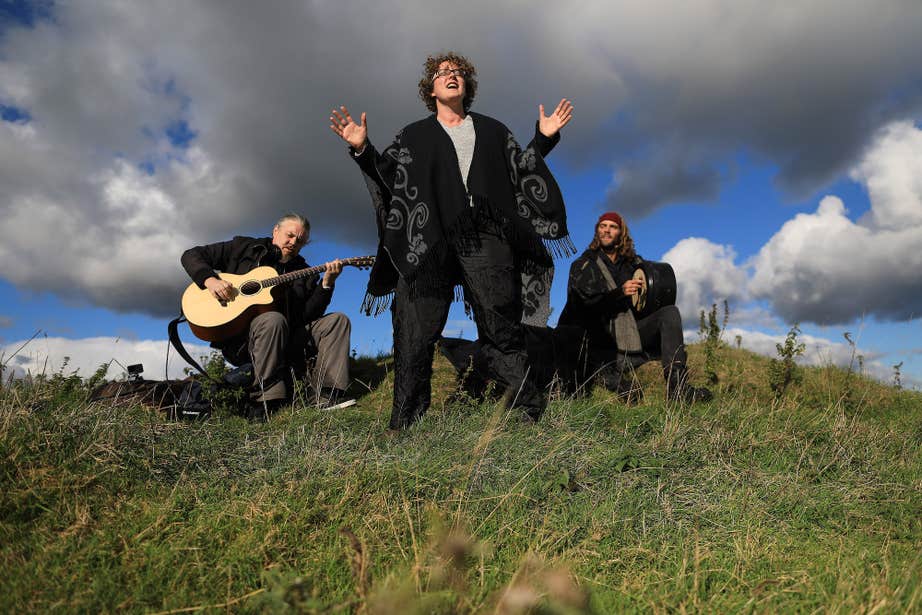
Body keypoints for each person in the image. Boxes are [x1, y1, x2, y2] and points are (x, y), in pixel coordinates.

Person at [330, 51, 574, 429]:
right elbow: (392, 179)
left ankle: (526, 412)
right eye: (443, 73)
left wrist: (542, 139)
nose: (451, 76)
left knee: (501, 327)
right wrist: (363, 150)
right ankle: (406, 424)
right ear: (431, 88)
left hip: (486, 237)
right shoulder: (414, 134)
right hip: (428, 243)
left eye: (458, 72)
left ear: (467, 84)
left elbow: (520, 169)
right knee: (414, 330)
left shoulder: (493, 129)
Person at [180, 213, 354, 418]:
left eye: (300, 241)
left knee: (337, 321)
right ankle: (265, 399)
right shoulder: (243, 247)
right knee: (273, 318)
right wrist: (210, 280)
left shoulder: (305, 273)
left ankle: (326, 395)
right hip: (242, 341)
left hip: (286, 339)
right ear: (275, 231)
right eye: (290, 235)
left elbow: (307, 317)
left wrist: (327, 284)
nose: (293, 242)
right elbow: (191, 255)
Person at [558, 212, 712, 404]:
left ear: (621, 232)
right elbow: (584, 305)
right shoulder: (584, 265)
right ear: (597, 230)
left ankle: (678, 389)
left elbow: (657, 287)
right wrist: (620, 293)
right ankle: (610, 379)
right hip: (597, 342)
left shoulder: (634, 265)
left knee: (670, 313)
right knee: (624, 387)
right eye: (602, 226)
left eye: (612, 227)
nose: (606, 230)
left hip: (630, 336)